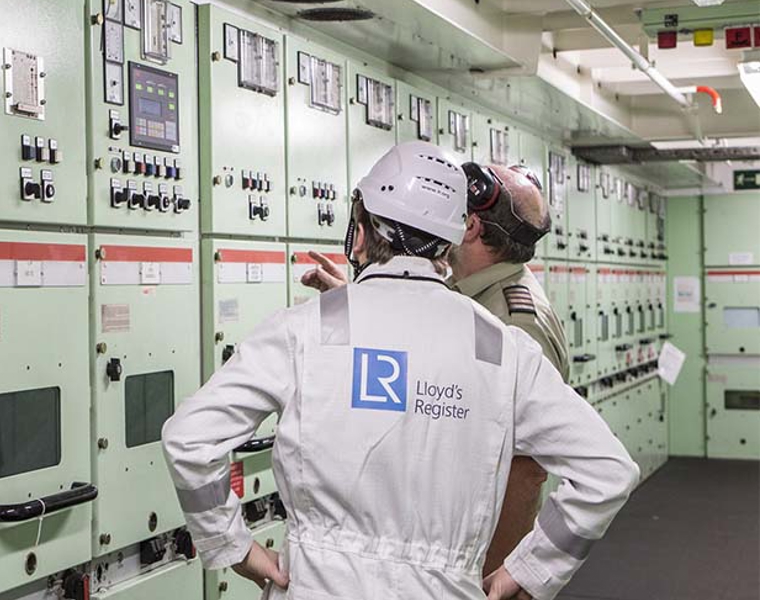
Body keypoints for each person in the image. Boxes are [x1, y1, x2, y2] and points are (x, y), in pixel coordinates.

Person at [163, 141, 639, 600]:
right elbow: (608, 472)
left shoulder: (304, 328)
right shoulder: (500, 346)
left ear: (363, 227)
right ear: (454, 237)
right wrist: (531, 568)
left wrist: (233, 544)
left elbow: (189, 439)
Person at [305, 162, 571, 578]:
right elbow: (427, 342)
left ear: (468, 227)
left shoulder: (513, 320)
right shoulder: (473, 291)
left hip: (472, 562)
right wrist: (361, 300)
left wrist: (499, 575)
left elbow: (526, 470)